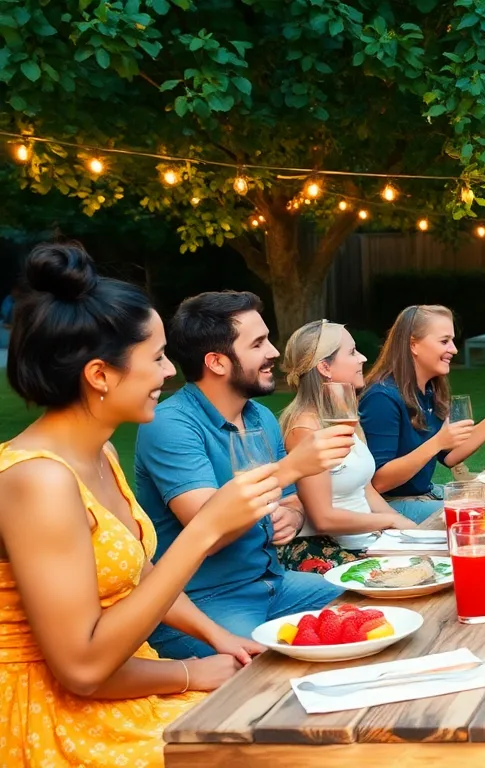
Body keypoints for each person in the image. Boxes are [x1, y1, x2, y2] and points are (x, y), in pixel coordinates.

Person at [0, 243, 284, 766]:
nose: (170, 373)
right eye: (155, 358)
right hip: (54, 716)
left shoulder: (100, 452)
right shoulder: (37, 480)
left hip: (127, 681)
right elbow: (81, 670)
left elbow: (137, 572)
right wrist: (190, 672)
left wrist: (217, 636)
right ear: (100, 375)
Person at [135, 291, 356, 659]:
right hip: (203, 601)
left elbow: (292, 496)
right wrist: (291, 468)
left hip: (274, 585)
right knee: (260, 678)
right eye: (258, 343)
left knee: (370, 613)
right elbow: (209, 533)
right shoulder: (170, 425)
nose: (273, 351)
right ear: (217, 362)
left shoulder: (260, 417)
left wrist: (294, 512)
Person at [359, 304, 485, 521]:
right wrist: (438, 442)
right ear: (413, 344)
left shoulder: (429, 390)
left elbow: (449, 456)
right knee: (482, 517)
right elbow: (379, 482)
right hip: (392, 505)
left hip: (427, 494)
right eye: (444, 341)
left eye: (452, 340)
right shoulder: (381, 398)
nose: (454, 349)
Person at [275, 320, 420, 573]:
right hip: (326, 549)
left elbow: (365, 489)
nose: (363, 358)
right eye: (352, 352)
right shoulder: (305, 429)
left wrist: (406, 530)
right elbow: (322, 519)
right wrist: (390, 520)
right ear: (325, 367)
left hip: (367, 541)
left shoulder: (342, 415)